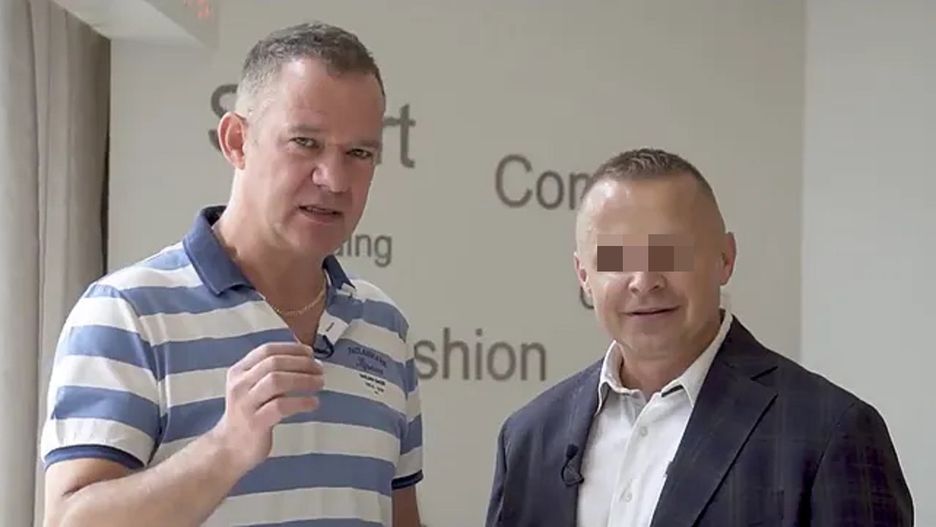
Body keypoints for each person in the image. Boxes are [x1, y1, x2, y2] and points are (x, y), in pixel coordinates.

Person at [39, 22, 422, 527]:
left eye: (359, 153)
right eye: (305, 142)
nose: (333, 179)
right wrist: (226, 448)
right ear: (237, 140)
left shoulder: (384, 327)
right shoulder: (127, 313)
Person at [485, 148, 913, 526]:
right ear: (584, 275)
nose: (644, 280)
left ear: (725, 258)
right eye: (616, 256)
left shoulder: (830, 433)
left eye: (670, 251)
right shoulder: (528, 438)